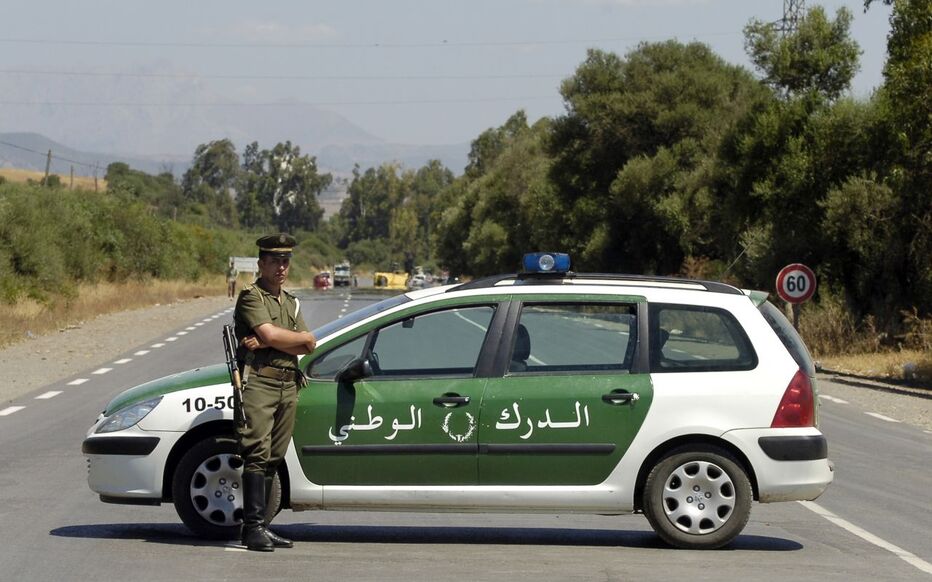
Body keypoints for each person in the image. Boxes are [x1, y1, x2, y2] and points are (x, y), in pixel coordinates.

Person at [234, 233, 316, 552]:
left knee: (274, 456)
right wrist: (281, 338)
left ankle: (263, 526)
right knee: (256, 451)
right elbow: (273, 332)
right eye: (274, 261)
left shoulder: (291, 301)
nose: (281, 267)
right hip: (260, 381)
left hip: (288, 382)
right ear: (261, 264)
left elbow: (309, 343)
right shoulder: (251, 297)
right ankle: (251, 527)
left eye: (285, 261)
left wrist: (269, 340)